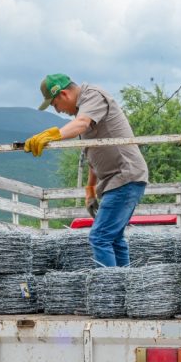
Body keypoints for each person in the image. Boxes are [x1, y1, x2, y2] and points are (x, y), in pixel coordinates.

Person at [24, 73, 149, 267]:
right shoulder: (83, 110)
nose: (57, 110)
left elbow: (81, 124)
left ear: (63, 94)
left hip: (125, 176)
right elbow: (94, 153)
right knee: (114, 239)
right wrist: (90, 188)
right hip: (117, 180)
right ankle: (125, 290)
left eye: (54, 105)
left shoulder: (92, 96)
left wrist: (53, 135)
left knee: (99, 238)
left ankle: (109, 293)